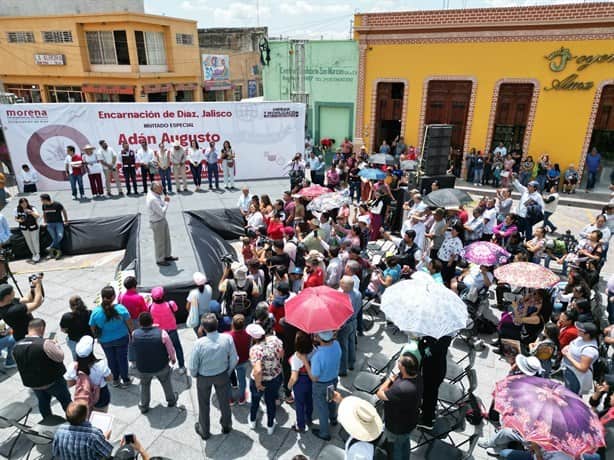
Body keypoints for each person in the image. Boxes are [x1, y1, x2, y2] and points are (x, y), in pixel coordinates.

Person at [189, 313, 238, 440]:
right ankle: (226, 426)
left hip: (204, 377)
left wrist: (195, 375)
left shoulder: (199, 343)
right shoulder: (227, 338)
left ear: (203, 328)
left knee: (203, 404)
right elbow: (234, 358)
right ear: (217, 325)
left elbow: (193, 365)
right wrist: (227, 372)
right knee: (224, 403)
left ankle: (204, 431)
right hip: (222, 375)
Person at [13, 318, 71, 418]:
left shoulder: (16, 346)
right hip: (53, 382)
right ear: (41, 328)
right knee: (66, 402)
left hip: (34, 384)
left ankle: (47, 422)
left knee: (43, 403)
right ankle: (74, 420)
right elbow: (60, 357)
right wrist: (56, 345)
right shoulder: (45, 343)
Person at [376, 352, 422, 460]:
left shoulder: (402, 389)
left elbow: (379, 394)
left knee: (395, 449)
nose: (398, 363)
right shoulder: (418, 377)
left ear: (404, 368)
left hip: (397, 426)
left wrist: (389, 380)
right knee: (404, 442)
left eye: (399, 362)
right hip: (409, 422)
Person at [132, 311, 178, 413]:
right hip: (161, 365)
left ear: (139, 323)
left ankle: (144, 406)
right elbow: (170, 348)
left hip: (143, 367)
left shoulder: (135, 334)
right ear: (152, 321)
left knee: (144, 385)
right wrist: (173, 358)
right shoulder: (162, 333)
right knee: (166, 382)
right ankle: (171, 400)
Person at [89, 286, 133, 388]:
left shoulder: (96, 312)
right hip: (122, 338)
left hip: (105, 341)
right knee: (122, 359)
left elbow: (92, 326)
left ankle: (115, 380)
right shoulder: (121, 309)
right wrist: (132, 333)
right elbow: (130, 323)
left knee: (111, 359)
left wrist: (98, 337)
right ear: (113, 297)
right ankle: (126, 380)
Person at [246, 323, 283, 434]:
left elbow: (257, 370)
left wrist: (258, 384)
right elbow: (281, 354)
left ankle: (252, 420)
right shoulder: (275, 341)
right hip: (274, 378)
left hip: (260, 381)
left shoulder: (255, 349)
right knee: (270, 402)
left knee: (255, 401)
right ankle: (270, 425)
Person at [306, 330, 342, 441]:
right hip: (333, 380)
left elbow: (314, 377)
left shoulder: (317, 356)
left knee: (322, 408)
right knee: (331, 400)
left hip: (321, 385)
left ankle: (324, 433)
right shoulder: (336, 344)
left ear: (320, 339)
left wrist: (306, 362)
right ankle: (333, 419)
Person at [65, 335, 112, 413]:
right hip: (101, 394)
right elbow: (109, 378)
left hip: (83, 397)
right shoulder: (101, 364)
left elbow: (69, 384)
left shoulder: (72, 367)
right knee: (101, 417)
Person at [148, 286, 185, 374]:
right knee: (177, 347)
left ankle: (166, 366)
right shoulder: (170, 304)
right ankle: (182, 366)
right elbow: (176, 309)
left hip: (160, 333)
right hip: (172, 330)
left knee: (163, 350)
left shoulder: (150, 307)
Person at [418, 335, 452, 430]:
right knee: (430, 394)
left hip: (433, 372)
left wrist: (423, 342)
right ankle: (428, 414)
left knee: (429, 395)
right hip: (436, 370)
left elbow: (425, 351)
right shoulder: (444, 338)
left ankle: (427, 421)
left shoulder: (436, 345)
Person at [562, 321, 599, 395]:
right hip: (568, 369)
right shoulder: (580, 338)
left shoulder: (589, 350)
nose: (577, 330)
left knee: (572, 396)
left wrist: (568, 356)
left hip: (576, 376)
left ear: (587, 335)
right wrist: (567, 347)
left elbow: (583, 368)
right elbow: (573, 345)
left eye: (580, 330)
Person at [287, 331, 314, 433]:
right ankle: (309, 418)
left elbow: (294, 377)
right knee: (309, 400)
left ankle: (300, 425)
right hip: (309, 380)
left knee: (299, 404)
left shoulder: (296, 358)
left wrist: (289, 386)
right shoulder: (313, 351)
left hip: (300, 383)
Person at [146, 181, 178, 267]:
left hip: (161, 220)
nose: (162, 190)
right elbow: (162, 212)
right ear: (155, 189)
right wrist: (166, 202)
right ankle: (160, 259)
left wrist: (163, 202)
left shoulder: (154, 194)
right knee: (159, 242)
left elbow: (160, 207)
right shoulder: (153, 199)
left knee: (166, 239)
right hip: (157, 222)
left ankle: (167, 256)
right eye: (160, 188)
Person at [338, 276, 360, 376]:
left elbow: (346, 314)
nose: (339, 283)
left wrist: (339, 325)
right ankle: (351, 364)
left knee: (343, 347)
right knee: (351, 343)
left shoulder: (347, 298)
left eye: (342, 283)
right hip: (353, 322)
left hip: (346, 324)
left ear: (346, 286)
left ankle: (342, 370)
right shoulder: (357, 293)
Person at [226, 314, 250, 405]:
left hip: (230, 362)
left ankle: (230, 399)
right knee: (242, 380)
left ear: (232, 324)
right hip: (243, 360)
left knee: (227, 380)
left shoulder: (227, 335)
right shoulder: (248, 334)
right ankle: (242, 398)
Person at [60, 296, 92, 360]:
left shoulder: (66, 317)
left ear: (71, 306)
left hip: (74, 340)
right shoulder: (89, 313)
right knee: (89, 355)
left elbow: (63, 329)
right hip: (88, 339)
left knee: (76, 358)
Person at [40, 193, 68, 260]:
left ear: (46, 200)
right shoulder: (44, 205)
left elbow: (64, 211)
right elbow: (44, 213)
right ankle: (57, 253)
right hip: (49, 224)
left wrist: (66, 220)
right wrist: (44, 222)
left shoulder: (57, 204)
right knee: (54, 238)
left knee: (60, 236)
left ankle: (50, 247)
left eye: (41, 200)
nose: (41, 201)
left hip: (59, 223)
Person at [14, 197, 40, 263]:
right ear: (20, 204)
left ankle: (37, 254)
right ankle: (33, 254)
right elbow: (16, 218)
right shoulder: (16, 209)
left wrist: (31, 212)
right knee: (28, 241)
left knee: (35, 240)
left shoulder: (32, 208)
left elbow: (37, 216)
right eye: (22, 203)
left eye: (25, 203)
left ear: (27, 202)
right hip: (24, 228)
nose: (24, 204)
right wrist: (19, 220)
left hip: (33, 227)